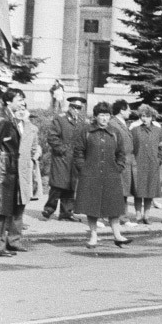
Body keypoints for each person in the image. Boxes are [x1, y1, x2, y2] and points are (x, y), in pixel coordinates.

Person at [75, 102, 129, 248]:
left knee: (113, 207)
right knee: (92, 207)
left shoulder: (115, 132)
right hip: (91, 175)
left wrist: (118, 167)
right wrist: (83, 168)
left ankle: (117, 235)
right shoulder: (86, 131)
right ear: (96, 116)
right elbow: (79, 152)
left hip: (111, 175)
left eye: (107, 115)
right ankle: (93, 236)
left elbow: (121, 154)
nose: (104, 118)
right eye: (101, 115)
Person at [0, 90, 41, 257]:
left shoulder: (9, 117)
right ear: (9, 102)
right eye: (19, 100)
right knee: (0, 209)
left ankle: (1, 244)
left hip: (8, 168)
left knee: (5, 208)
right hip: (3, 169)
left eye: (23, 100)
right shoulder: (3, 119)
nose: (22, 103)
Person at [42, 95, 88, 221]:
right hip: (61, 157)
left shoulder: (82, 122)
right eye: (74, 107)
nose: (76, 110)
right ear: (70, 107)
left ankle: (66, 212)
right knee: (58, 184)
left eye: (79, 107)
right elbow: (52, 137)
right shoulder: (60, 119)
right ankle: (49, 209)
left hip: (75, 157)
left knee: (71, 185)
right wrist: (62, 149)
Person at [127, 105, 162, 224]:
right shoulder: (135, 130)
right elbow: (130, 147)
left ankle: (146, 215)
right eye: (142, 116)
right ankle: (138, 215)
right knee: (139, 191)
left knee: (150, 191)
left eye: (147, 116)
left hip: (152, 165)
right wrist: (133, 161)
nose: (144, 119)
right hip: (138, 164)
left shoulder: (158, 131)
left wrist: (159, 159)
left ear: (152, 117)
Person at [108, 99, 138, 224]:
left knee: (124, 191)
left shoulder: (122, 123)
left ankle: (122, 217)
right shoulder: (114, 123)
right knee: (119, 191)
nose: (130, 112)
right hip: (120, 161)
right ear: (121, 111)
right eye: (128, 109)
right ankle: (120, 218)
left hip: (127, 161)